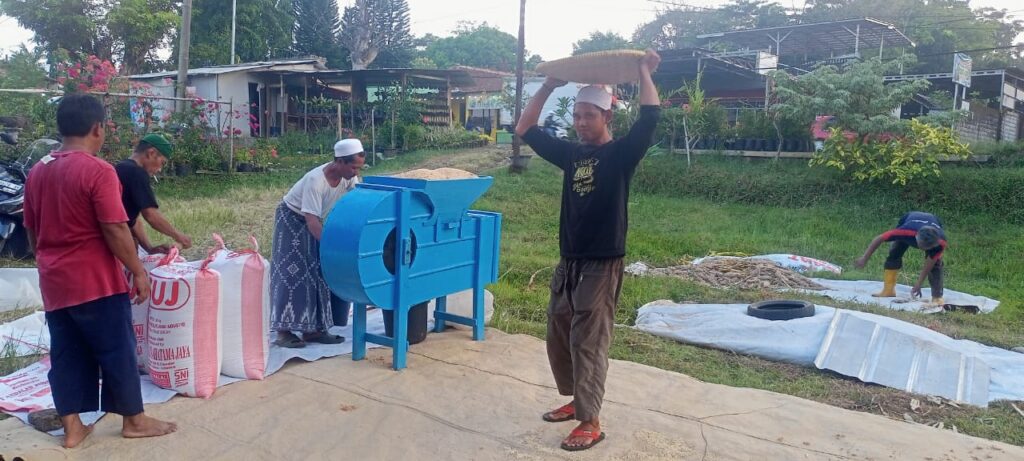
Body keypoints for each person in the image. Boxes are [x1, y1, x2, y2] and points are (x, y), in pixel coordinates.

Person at [515, 49, 662, 452]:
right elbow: (525, 127)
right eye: (577, 116)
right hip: (570, 260)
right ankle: (575, 399)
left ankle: (591, 421)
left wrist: (643, 72)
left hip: (602, 261)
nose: (580, 123)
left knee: (589, 339)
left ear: (607, 118)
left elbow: (649, 118)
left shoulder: (620, 155)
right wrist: (547, 86)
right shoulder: (573, 154)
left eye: (588, 116)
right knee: (558, 331)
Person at [22, 94, 177, 448]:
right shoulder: (98, 170)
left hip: (55, 281)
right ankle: (134, 421)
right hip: (95, 281)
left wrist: (47, 262)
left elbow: (32, 229)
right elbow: (116, 227)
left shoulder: (38, 171)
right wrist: (138, 270)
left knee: (66, 351)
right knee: (117, 349)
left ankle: (73, 427)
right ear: (98, 128)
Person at [270, 138, 366, 348]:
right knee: (291, 272)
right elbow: (311, 221)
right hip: (292, 219)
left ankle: (312, 331)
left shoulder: (348, 178)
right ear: (339, 162)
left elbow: (353, 203)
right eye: (353, 167)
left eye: (359, 168)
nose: (356, 172)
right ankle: (283, 332)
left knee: (316, 271)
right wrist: (330, 247)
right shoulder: (316, 181)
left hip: (314, 220)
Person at [115, 133, 192, 254]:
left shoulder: (121, 167)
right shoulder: (137, 173)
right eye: (162, 162)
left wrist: (149, 248)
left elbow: (132, 219)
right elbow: (151, 215)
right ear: (151, 153)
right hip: (114, 241)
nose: (160, 169)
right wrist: (178, 236)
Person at [854, 211, 948, 305]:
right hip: (909, 219)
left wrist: (919, 284)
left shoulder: (940, 242)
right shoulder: (904, 231)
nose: (923, 250)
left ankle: (937, 297)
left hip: (932, 221)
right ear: (916, 238)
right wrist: (864, 258)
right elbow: (879, 238)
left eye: (928, 248)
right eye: (922, 247)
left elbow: (930, 263)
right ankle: (888, 290)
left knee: (936, 265)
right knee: (895, 252)